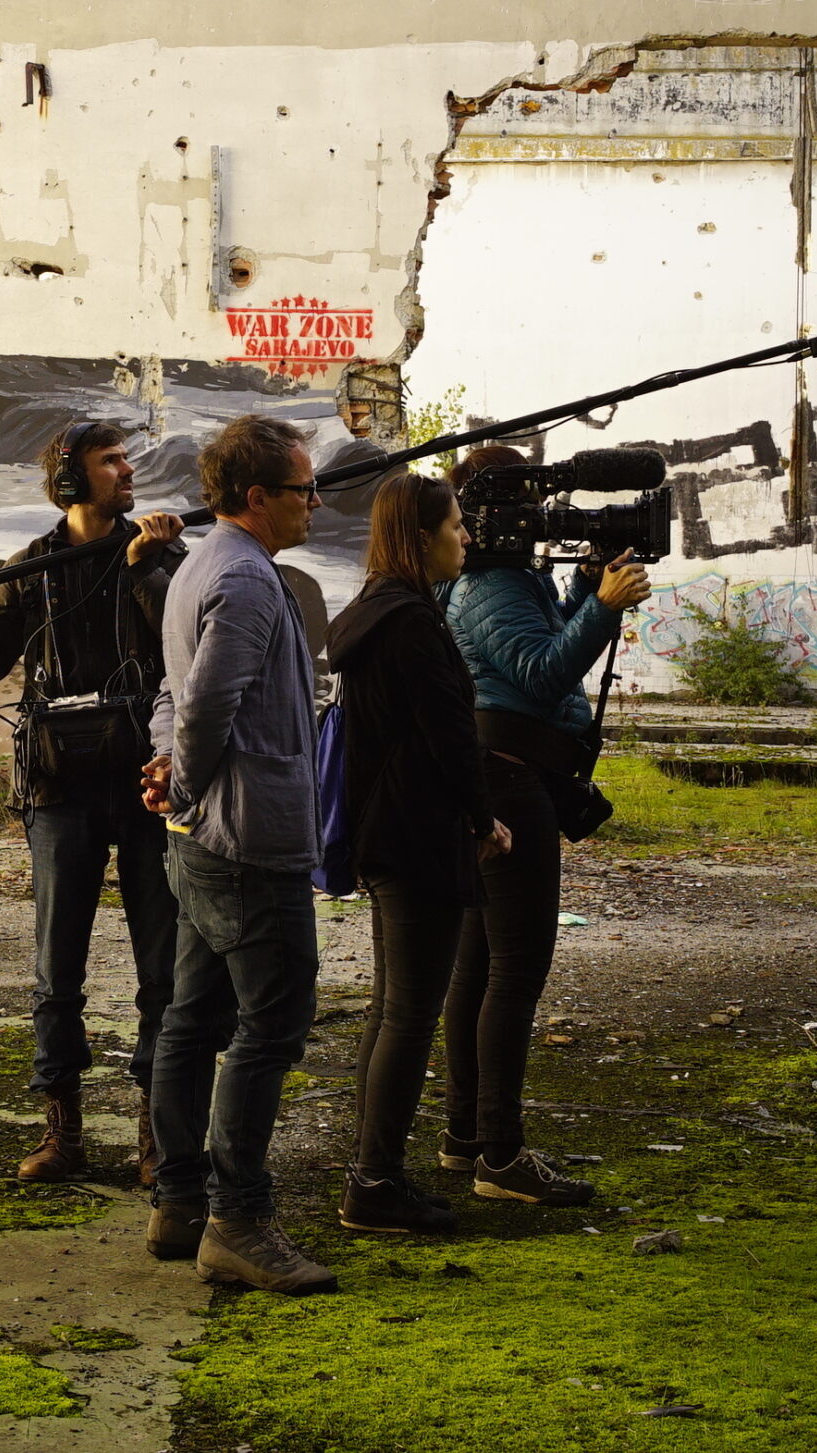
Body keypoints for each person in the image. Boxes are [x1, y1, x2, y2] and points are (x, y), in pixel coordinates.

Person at [0, 422, 186, 1183]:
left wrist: (150, 568)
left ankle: (156, 1134)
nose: (128, 470)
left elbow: (186, 648)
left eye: (126, 458)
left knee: (163, 968)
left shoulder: (157, 552)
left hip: (146, 783)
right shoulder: (30, 569)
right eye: (112, 461)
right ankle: (62, 1131)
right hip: (58, 788)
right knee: (56, 970)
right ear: (71, 481)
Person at [139, 413, 333, 1294]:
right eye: (303, 489)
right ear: (258, 496)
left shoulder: (199, 566)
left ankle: (180, 1201)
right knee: (272, 1024)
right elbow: (205, 703)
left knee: (194, 1015)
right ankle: (239, 1221)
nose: (315, 501)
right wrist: (180, 778)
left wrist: (168, 769)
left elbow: (169, 695)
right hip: (247, 840)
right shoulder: (249, 579)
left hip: (204, 835)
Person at [439, 444, 650, 1206]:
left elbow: (547, 635)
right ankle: (500, 1153)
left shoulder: (506, 574)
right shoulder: (489, 584)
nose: (542, 515)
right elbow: (542, 672)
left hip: (501, 774)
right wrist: (606, 606)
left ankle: (467, 1136)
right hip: (508, 779)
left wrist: (586, 586)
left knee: (477, 966)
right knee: (514, 971)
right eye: (528, 501)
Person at [325, 472, 510, 1237]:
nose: (465, 537)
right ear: (421, 536)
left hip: (381, 831)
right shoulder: (412, 624)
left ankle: (372, 1171)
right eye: (455, 525)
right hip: (417, 835)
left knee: (390, 1008)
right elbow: (450, 735)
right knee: (408, 1013)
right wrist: (483, 818)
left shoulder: (371, 612)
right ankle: (374, 1181)